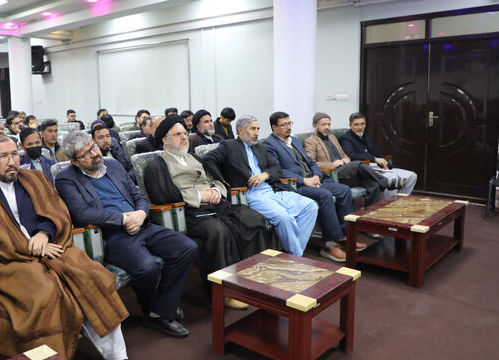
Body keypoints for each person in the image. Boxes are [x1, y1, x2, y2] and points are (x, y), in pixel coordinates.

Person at [0, 136, 141, 360]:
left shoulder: (36, 178)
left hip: (55, 248)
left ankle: (118, 358)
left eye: (14, 154)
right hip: (12, 261)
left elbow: (59, 212)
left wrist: (43, 233)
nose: (12, 161)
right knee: (45, 292)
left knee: (92, 277)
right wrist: (25, 246)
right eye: (4, 157)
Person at [55, 131, 198, 339]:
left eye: (93, 147)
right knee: (148, 267)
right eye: (86, 153)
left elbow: (138, 196)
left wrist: (140, 214)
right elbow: (82, 213)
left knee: (187, 248)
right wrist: (122, 219)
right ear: (74, 162)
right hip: (113, 236)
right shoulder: (66, 179)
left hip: (142, 225)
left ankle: (160, 307)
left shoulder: (112, 165)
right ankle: (157, 313)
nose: (95, 153)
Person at [144, 115, 275, 309]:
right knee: (217, 231)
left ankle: (254, 277)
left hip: (216, 205)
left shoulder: (194, 157)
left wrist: (215, 191)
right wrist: (199, 196)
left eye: (185, 133)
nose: (184, 138)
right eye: (177, 134)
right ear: (165, 139)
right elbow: (163, 195)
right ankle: (226, 292)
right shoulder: (157, 164)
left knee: (253, 218)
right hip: (189, 212)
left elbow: (216, 180)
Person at [203, 116, 318, 257]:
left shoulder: (260, 147)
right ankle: (297, 257)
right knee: (284, 218)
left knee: (311, 206)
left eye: (258, 128)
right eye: (252, 129)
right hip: (252, 195)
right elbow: (208, 160)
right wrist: (223, 182)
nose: (257, 133)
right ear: (240, 130)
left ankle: (294, 255)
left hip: (272, 190)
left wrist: (265, 175)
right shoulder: (229, 146)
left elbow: (276, 168)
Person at [263, 112, 363, 262]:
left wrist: (316, 175)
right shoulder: (269, 144)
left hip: (314, 178)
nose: (288, 127)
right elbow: (278, 170)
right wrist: (304, 180)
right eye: (284, 125)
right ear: (274, 127)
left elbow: (311, 162)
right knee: (325, 195)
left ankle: (343, 236)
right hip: (294, 185)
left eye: (290, 123)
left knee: (344, 190)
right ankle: (329, 245)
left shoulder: (295, 141)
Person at [303, 113, 391, 206]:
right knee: (357, 164)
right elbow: (311, 163)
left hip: (346, 171)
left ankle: (368, 216)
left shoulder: (332, 137)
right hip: (331, 174)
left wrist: (346, 159)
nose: (327, 127)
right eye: (323, 124)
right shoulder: (310, 141)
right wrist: (333, 164)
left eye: (329, 124)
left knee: (374, 185)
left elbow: (344, 154)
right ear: (314, 126)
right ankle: (386, 181)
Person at [339, 112, 417, 197]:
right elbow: (353, 155)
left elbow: (375, 152)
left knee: (412, 176)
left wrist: (384, 163)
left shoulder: (366, 136)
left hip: (380, 168)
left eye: (362, 124)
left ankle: (400, 202)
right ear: (350, 126)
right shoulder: (345, 139)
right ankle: (388, 205)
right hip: (366, 170)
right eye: (356, 125)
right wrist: (374, 159)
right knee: (392, 178)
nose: (360, 127)